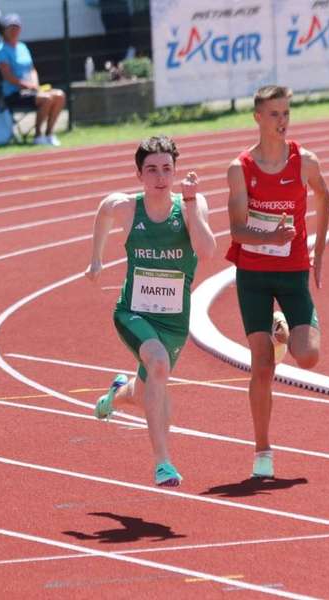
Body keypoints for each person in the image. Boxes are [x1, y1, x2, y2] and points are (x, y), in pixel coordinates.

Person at [85, 135, 216, 486]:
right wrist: (96, 259)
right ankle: (163, 463)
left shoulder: (191, 204)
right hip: (133, 313)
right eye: (152, 170)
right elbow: (104, 209)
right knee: (158, 365)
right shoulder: (129, 208)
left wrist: (189, 205)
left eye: (167, 169)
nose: (160, 177)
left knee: (146, 394)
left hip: (174, 320)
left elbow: (206, 251)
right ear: (139, 174)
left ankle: (117, 394)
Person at [226, 85, 329, 479]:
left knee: (308, 356)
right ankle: (262, 451)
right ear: (257, 117)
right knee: (262, 365)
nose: (282, 121)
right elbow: (236, 231)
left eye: (286, 113)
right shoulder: (240, 169)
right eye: (274, 114)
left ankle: (284, 331)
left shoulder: (305, 162)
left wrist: (318, 251)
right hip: (252, 274)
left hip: (291, 273)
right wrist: (270, 238)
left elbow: (324, 195)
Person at [0, 13, 65, 147]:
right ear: (4, 30)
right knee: (47, 99)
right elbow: (7, 76)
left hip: (31, 91)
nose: (14, 31)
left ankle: (49, 134)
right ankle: (38, 135)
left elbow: (32, 69)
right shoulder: (1, 50)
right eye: (11, 28)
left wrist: (35, 84)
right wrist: (27, 86)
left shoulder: (22, 47)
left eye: (16, 27)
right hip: (14, 94)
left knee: (60, 95)